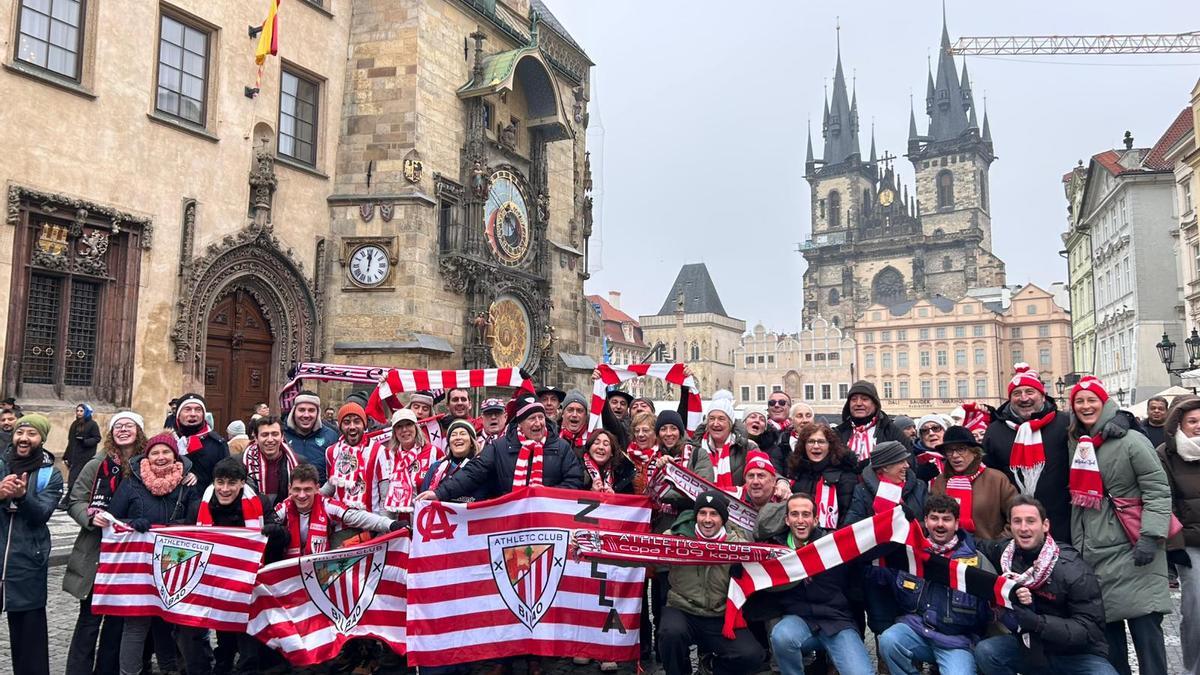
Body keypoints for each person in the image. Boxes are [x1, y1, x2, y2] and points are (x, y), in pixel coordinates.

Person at [1067, 376, 1171, 675]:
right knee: (1110, 646)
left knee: (1147, 638)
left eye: (1092, 400)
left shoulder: (1132, 441)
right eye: (1079, 401)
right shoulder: (1077, 441)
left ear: (1105, 402)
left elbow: (1157, 490)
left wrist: (1150, 536)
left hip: (1133, 548)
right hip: (1095, 554)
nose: (1086, 406)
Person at [973, 496, 1116, 675]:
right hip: (1031, 649)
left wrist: (1038, 623)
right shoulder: (1006, 554)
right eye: (1017, 521)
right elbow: (975, 544)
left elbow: (1090, 628)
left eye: (1031, 521)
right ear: (1011, 527)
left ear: (1045, 525)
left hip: (1077, 655)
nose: (1024, 528)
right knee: (987, 652)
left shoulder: (1072, 568)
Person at [180, 457, 287, 675]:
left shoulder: (260, 503)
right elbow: (183, 534)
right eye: (220, 482)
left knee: (248, 644)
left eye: (231, 483)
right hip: (213, 584)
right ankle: (222, 663)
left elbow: (283, 538)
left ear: (242, 483)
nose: (225, 489)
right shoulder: (198, 506)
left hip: (248, 585)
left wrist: (276, 532)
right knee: (223, 636)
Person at [109, 433, 200, 675]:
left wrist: (180, 525)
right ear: (147, 456)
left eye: (166, 452)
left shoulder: (187, 484)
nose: (160, 457)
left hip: (174, 561)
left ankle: (169, 669)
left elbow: (197, 520)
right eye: (155, 453)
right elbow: (113, 521)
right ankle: (130, 672)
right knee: (136, 624)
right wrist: (132, 523)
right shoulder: (131, 484)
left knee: (168, 623)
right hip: (137, 565)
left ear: (175, 455)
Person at [64, 411, 144, 675]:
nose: (123, 430)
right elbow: (75, 500)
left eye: (129, 425)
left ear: (139, 431)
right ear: (111, 433)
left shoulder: (147, 464)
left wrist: (188, 473)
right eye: (118, 426)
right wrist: (90, 519)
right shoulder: (96, 464)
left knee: (116, 625)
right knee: (88, 621)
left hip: (129, 556)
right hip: (96, 553)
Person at [876, 495, 992, 675]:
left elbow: (991, 612)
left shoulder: (977, 562)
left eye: (946, 519)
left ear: (956, 523)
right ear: (926, 521)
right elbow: (878, 573)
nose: (940, 524)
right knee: (888, 640)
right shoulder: (910, 555)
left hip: (956, 643)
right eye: (934, 518)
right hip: (917, 631)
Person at [760, 493, 872, 675]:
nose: (800, 520)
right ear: (787, 520)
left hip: (837, 622)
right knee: (781, 636)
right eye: (795, 514)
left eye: (806, 514)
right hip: (799, 620)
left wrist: (897, 522)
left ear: (815, 519)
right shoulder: (776, 550)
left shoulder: (832, 544)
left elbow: (868, 544)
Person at [658, 490, 764, 675]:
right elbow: (646, 556)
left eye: (714, 514)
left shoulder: (738, 545)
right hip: (683, 609)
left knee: (752, 655)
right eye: (702, 513)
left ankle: (711, 668)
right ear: (696, 515)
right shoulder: (675, 538)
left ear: (723, 518)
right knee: (669, 634)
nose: (707, 519)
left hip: (719, 615)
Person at [422, 395, 585, 501]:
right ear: (520, 423)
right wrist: (439, 493)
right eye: (531, 418)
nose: (538, 423)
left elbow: (574, 480)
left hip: (548, 520)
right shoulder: (500, 447)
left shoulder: (561, 447)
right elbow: (473, 472)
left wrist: (546, 494)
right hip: (510, 522)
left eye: (540, 417)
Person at [0, 414, 63, 675]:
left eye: (31, 434)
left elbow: (42, 514)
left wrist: (23, 496)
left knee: (30, 642)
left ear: (42, 439)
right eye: (19, 433)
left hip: (28, 561)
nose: (24, 438)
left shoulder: (51, 474)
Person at [846, 439, 926, 643]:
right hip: (877, 571)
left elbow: (928, 525)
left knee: (913, 619)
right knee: (881, 623)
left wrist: (909, 525)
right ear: (885, 467)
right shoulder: (862, 492)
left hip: (911, 570)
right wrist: (886, 527)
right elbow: (852, 530)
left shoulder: (919, 487)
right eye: (901, 461)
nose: (907, 466)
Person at [982, 363, 1073, 543]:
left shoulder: (1066, 423)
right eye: (1017, 393)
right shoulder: (995, 431)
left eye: (1030, 392)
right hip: (1016, 527)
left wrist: (1124, 419)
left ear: (1042, 394)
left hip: (1063, 523)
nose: (1024, 398)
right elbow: (987, 476)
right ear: (1010, 398)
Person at [1158, 394, 1200, 674]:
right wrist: (1178, 542)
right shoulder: (1165, 454)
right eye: (1192, 421)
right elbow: (1164, 503)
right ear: (1178, 424)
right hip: (1192, 542)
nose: (1198, 426)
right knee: (1196, 608)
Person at [273, 463, 399, 557]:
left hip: (320, 568)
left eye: (307, 489)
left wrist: (391, 524)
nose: (301, 495)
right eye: (297, 489)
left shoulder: (326, 504)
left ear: (317, 489)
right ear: (289, 488)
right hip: (290, 571)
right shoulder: (284, 507)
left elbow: (357, 517)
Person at [930, 426, 1016, 540]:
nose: (955, 455)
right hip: (949, 553)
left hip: (988, 554)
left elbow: (1017, 516)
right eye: (950, 450)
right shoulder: (940, 482)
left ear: (975, 452)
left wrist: (997, 545)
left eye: (961, 449)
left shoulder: (996, 479)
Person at [784, 423, 857, 530]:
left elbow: (848, 515)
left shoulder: (845, 476)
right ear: (803, 446)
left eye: (821, 442)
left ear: (830, 446)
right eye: (811, 442)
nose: (816, 446)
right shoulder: (796, 474)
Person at [686, 392, 757, 492]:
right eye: (711, 419)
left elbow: (764, 472)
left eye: (721, 419)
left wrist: (781, 481)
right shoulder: (695, 448)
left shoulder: (748, 447)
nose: (715, 424)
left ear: (730, 423)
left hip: (738, 504)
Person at [835, 381, 911, 467]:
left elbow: (909, 464)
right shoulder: (838, 433)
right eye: (854, 399)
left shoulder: (891, 431)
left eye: (864, 399)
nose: (858, 403)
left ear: (875, 404)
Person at [379, 409, 440, 516]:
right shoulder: (387, 456)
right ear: (394, 432)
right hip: (396, 522)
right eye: (399, 426)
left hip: (425, 519)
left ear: (416, 427)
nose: (404, 430)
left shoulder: (433, 452)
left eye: (408, 424)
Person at [325, 402, 382, 514]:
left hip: (371, 523)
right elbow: (331, 487)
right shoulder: (331, 451)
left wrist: (384, 529)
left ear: (364, 425)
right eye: (346, 422)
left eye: (357, 421)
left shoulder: (379, 450)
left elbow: (385, 494)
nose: (352, 427)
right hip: (340, 523)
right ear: (340, 426)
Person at [171, 393, 229, 491]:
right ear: (178, 415)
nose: (193, 414)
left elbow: (225, 476)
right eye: (187, 409)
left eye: (198, 410)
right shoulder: (168, 442)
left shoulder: (217, 444)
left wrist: (199, 477)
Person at [242, 415, 300, 511]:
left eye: (275, 434)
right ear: (256, 438)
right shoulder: (241, 463)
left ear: (282, 437)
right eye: (264, 435)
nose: (270, 440)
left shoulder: (298, 462)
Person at [420, 419, 484, 502]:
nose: (458, 438)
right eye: (453, 435)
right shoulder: (436, 468)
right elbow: (423, 501)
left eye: (463, 434)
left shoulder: (481, 467)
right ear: (449, 443)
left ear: (472, 442)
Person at [282, 391, 339, 483]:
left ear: (318, 413)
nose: (306, 415)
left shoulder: (331, 436)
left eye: (311, 410)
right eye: (301, 410)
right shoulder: (281, 436)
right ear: (293, 411)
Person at [64, 404, 101, 508]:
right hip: (75, 455)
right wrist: (66, 456)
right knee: (72, 477)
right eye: (78, 411)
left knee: (80, 477)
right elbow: (70, 441)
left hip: (86, 455)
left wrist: (85, 441)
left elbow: (97, 438)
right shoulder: (74, 424)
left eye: (81, 411)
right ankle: (68, 498)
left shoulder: (92, 424)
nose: (79, 413)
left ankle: (71, 499)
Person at [626, 412, 660, 494]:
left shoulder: (663, 456)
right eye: (637, 431)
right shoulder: (626, 458)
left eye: (645, 430)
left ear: (656, 433)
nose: (640, 434)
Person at [743, 410, 785, 475]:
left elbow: (774, 473)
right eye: (753, 417)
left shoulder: (773, 450)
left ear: (764, 428)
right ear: (743, 422)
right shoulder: (731, 443)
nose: (757, 421)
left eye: (762, 419)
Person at [913, 413, 951, 481]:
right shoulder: (913, 458)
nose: (931, 433)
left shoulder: (956, 453)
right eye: (925, 430)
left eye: (935, 428)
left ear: (945, 431)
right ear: (921, 437)